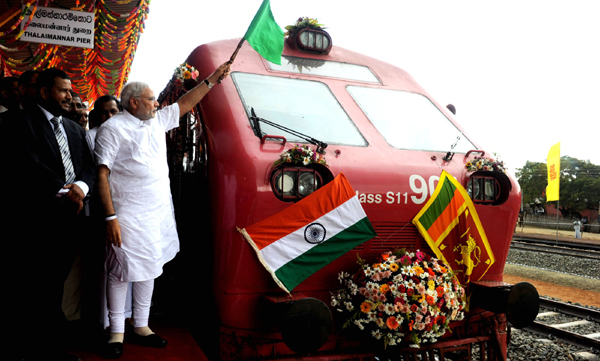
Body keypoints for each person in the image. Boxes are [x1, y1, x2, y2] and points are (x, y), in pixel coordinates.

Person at [95, 61, 231, 359]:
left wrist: (211, 80)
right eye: (152, 99)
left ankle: (141, 325)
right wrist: (110, 217)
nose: (157, 103)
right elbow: (101, 174)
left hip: (156, 212)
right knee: (121, 269)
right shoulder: (113, 129)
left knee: (150, 267)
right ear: (134, 102)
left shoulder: (155, 121)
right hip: (126, 213)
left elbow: (184, 103)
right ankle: (116, 331)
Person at [2, 68, 96, 361]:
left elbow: (89, 168)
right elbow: (26, 163)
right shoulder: (16, 122)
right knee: (30, 287)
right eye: (63, 90)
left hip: (70, 223)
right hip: (34, 222)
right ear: (44, 93)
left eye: (70, 91)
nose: (70, 96)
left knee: (54, 285)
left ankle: (48, 347)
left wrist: (80, 188)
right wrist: (63, 192)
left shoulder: (75, 129)